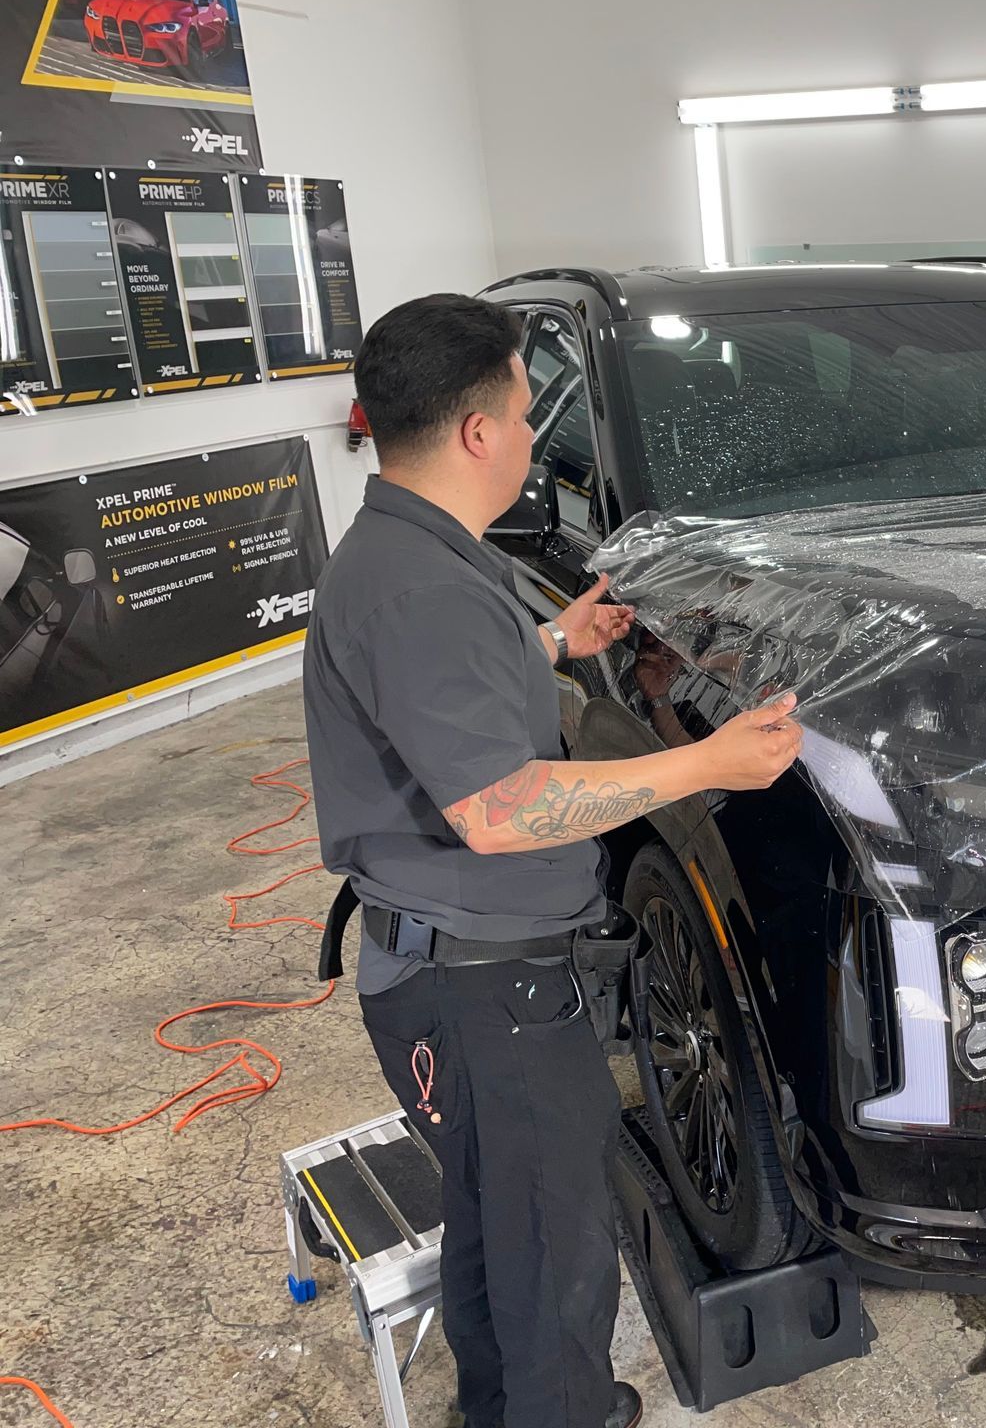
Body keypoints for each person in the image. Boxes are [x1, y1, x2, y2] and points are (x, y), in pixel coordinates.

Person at [301, 293, 802, 1428]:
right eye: (528, 413)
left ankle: (504, 1409)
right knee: (553, 1250)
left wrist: (550, 642)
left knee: (503, 1223)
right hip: (485, 994)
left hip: (461, 975)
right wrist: (707, 761)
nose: (535, 437)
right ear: (478, 432)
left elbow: (441, 687)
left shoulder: (413, 551)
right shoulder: (423, 584)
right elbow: (497, 807)